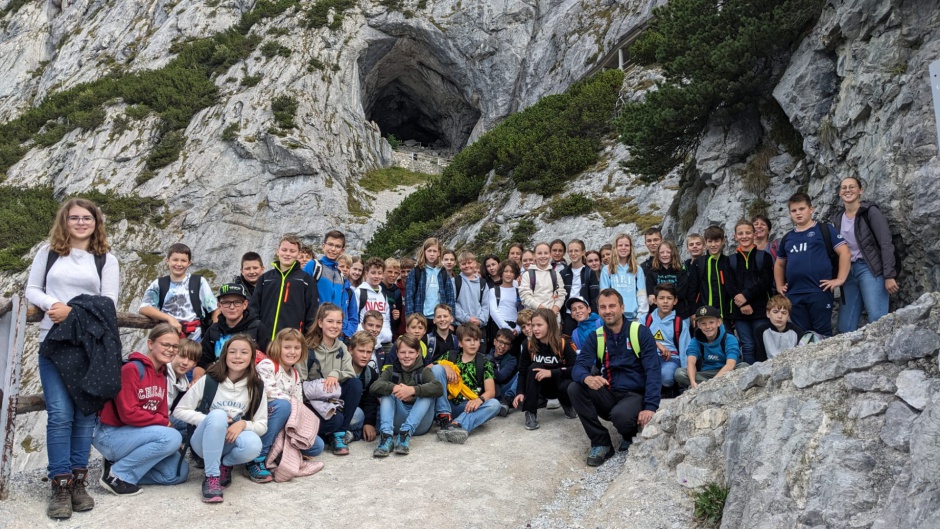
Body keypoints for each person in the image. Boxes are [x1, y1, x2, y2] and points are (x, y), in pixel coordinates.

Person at [25, 197, 119, 519]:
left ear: (96, 222)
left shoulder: (106, 260)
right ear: (64, 221)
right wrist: (53, 305)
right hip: (53, 342)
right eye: (74, 218)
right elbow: (32, 289)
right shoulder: (48, 253)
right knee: (60, 414)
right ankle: (60, 483)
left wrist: (72, 312)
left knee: (84, 414)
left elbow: (108, 302)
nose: (81, 223)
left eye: (87, 218)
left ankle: (79, 482)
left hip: (89, 345)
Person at [568, 289, 661, 466]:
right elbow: (579, 366)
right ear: (598, 310)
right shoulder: (596, 336)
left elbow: (653, 371)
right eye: (603, 307)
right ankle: (601, 442)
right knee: (575, 388)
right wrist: (587, 378)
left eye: (612, 306)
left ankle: (629, 433)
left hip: (634, 395)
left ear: (622, 307)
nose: (607, 311)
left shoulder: (639, 332)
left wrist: (650, 407)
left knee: (621, 417)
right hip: (610, 393)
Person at [94, 324, 189, 496]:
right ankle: (117, 475)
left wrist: (165, 428)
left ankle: (119, 465)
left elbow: (161, 412)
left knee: (177, 472)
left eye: (175, 346)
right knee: (172, 436)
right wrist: (165, 426)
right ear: (150, 344)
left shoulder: (162, 374)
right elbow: (128, 413)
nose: (170, 350)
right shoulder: (132, 369)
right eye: (165, 344)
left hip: (140, 436)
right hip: (111, 435)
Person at [173, 335, 268, 503]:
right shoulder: (209, 380)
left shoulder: (256, 386)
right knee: (218, 415)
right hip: (203, 441)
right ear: (224, 355)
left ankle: (225, 464)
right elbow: (179, 411)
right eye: (232, 352)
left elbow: (262, 425)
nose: (238, 356)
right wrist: (210, 420)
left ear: (252, 357)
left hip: (230, 440)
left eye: (244, 352)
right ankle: (212, 476)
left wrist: (243, 424)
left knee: (253, 444)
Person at [252, 328, 323, 483]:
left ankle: (281, 452)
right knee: (284, 405)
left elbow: (299, 402)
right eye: (287, 347)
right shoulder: (268, 365)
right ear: (278, 347)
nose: (292, 352)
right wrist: (292, 404)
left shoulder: (294, 373)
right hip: (265, 417)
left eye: (297, 348)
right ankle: (258, 457)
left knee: (317, 445)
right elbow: (269, 391)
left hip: (285, 422)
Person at [774, 192, 850, 337]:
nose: (798, 213)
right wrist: (779, 285)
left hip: (819, 290)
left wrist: (840, 279)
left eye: (802, 209)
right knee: (801, 334)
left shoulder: (824, 229)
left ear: (811, 209)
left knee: (822, 333)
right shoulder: (788, 238)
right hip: (794, 293)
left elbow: (845, 252)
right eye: (794, 210)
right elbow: (779, 264)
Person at [830, 176, 899, 332]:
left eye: (852, 187)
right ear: (840, 193)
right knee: (844, 327)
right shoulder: (838, 218)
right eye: (844, 188)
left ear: (860, 191)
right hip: (848, 272)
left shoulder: (871, 212)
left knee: (877, 318)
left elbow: (886, 243)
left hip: (869, 269)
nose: (847, 190)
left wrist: (889, 275)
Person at [303, 303, 363, 455]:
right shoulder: (308, 348)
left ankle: (338, 434)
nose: (335, 326)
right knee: (337, 420)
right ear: (320, 322)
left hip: (334, 400)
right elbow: (299, 382)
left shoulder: (342, 347)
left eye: (339, 322)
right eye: (330, 321)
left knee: (355, 384)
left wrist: (335, 374)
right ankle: (324, 432)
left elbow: (350, 373)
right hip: (313, 402)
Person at [370, 335, 445, 456]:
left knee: (428, 391)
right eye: (402, 352)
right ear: (397, 353)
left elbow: (439, 388)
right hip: (397, 421)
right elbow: (374, 387)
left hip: (420, 423)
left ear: (417, 353)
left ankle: (405, 434)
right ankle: (386, 437)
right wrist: (395, 388)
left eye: (411, 352)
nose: (406, 356)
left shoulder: (424, 371)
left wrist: (412, 390)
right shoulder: (391, 370)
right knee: (387, 391)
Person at [249, 234, 319, 352]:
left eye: (292, 251)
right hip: (264, 340)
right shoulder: (265, 278)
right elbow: (254, 308)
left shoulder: (306, 280)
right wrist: (255, 333)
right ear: (278, 251)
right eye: (284, 250)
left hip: (292, 342)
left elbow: (312, 312)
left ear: (298, 254)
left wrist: (306, 337)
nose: (287, 254)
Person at [434, 323, 501, 444]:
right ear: (460, 343)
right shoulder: (451, 356)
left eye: (476, 340)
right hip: (448, 404)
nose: (472, 343)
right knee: (437, 368)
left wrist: (479, 400)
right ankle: (445, 418)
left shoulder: (484, 362)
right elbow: (429, 368)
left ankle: (457, 425)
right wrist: (445, 366)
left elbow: (491, 391)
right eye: (468, 340)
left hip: (469, 407)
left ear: (479, 343)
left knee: (495, 404)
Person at [513, 309, 578, 430]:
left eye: (539, 325)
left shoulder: (563, 343)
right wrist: (520, 392)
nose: (535, 329)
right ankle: (530, 412)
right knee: (534, 367)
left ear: (550, 325)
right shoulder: (528, 345)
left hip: (560, 385)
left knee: (568, 384)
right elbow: (522, 372)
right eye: (533, 325)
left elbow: (575, 368)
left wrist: (551, 372)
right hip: (541, 388)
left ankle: (567, 404)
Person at [139, 243, 218, 341]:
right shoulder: (158, 284)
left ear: (189, 263)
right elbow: (144, 307)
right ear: (167, 260)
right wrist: (169, 318)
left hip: (196, 337)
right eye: (175, 260)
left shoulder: (199, 282)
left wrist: (213, 334)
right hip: (168, 335)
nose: (179, 264)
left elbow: (214, 309)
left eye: (183, 261)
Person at [727, 220, 774, 364]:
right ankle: (749, 375)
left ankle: (764, 374)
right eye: (740, 233)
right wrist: (742, 303)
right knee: (747, 346)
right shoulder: (730, 260)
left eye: (748, 233)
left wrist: (745, 296)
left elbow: (765, 282)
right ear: (735, 236)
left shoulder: (764, 257)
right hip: (739, 312)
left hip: (761, 310)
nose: (744, 236)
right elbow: (729, 285)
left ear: (754, 234)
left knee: (762, 344)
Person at [197, 283, 260, 381]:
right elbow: (202, 362)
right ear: (219, 306)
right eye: (226, 303)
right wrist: (197, 379)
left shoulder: (257, 328)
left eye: (237, 302)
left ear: (245, 304)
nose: (232, 307)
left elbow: (267, 360)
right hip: (218, 380)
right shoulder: (213, 330)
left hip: (249, 381)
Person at [675, 306, 743, 389]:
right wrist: (692, 382)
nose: (708, 327)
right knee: (679, 373)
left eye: (711, 322)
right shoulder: (695, 340)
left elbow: (730, 364)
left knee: (744, 367)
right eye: (703, 323)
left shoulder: (729, 338)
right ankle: (702, 384)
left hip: (726, 372)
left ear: (719, 322)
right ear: (698, 325)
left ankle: (704, 385)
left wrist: (712, 382)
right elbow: (691, 363)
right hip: (705, 373)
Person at [644, 284, 691, 395]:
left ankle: (669, 388)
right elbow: (637, 339)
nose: (665, 302)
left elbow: (685, 350)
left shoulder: (679, 323)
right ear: (655, 300)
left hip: (670, 359)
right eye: (661, 298)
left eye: (669, 298)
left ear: (675, 301)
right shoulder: (645, 319)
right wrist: (657, 344)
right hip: (648, 358)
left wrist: (684, 374)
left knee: (666, 377)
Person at [304, 230, 351, 331]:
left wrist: (343, 328)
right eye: (330, 244)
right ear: (323, 246)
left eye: (337, 246)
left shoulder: (340, 275)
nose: (333, 249)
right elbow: (301, 295)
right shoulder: (313, 266)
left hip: (333, 328)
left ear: (342, 250)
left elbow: (342, 305)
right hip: (314, 326)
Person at [599, 233, 647, 322]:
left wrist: (640, 315)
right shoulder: (607, 269)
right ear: (615, 248)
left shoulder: (637, 269)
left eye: (626, 245)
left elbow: (642, 295)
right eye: (620, 245)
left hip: (633, 317)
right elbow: (604, 295)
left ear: (631, 248)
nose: (623, 248)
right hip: (614, 316)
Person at [405, 237, 455, 317]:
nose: (432, 254)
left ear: (439, 253)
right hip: (421, 317)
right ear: (424, 252)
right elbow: (409, 297)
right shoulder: (416, 272)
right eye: (429, 251)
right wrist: (410, 318)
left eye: (434, 251)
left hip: (440, 318)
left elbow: (450, 297)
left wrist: (451, 319)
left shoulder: (443, 272)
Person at [645, 240, 696, 320]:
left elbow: (682, 293)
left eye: (668, 252)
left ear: (673, 253)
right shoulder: (651, 273)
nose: (665, 255)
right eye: (662, 252)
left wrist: (660, 296)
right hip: (658, 316)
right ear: (658, 254)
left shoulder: (681, 271)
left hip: (680, 315)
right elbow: (651, 296)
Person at [518, 242, 567, 319]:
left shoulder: (556, 275)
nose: (543, 256)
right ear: (534, 256)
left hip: (553, 318)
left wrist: (554, 310)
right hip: (534, 318)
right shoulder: (527, 275)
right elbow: (525, 296)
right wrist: (544, 311)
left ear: (550, 255)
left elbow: (561, 295)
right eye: (539, 253)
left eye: (546, 253)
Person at [695, 226, 734, 321]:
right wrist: (693, 312)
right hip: (703, 312)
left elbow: (732, 287)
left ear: (723, 241)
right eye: (710, 241)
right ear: (705, 242)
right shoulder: (699, 262)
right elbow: (693, 288)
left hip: (725, 313)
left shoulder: (728, 261)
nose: (713, 245)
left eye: (716, 241)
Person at [561, 239, 599, 335]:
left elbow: (594, 297)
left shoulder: (589, 273)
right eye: (570, 251)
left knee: (588, 339)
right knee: (568, 340)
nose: (573, 253)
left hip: (585, 314)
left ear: (583, 252)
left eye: (576, 251)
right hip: (569, 314)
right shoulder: (563, 273)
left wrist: (593, 316)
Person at [356, 258, 394, 353]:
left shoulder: (383, 295)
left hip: (383, 341)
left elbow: (386, 319)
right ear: (366, 274)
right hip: (364, 340)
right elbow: (355, 318)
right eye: (373, 273)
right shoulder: (359, 292)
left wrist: (387, 334)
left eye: (379, 273)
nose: (376, 276)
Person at [348, 331, 379, 442]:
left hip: (362, 411)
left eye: (368, 352)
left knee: (381, 415)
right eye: (361, 351)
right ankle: (356, 433)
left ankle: (353, 434)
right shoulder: (341, 369)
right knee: (358, 414)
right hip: (346, 412)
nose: (365, 356)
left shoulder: (371, 374)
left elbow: (370, 401)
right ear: (351, 350)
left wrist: (369, 423)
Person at [754, 295, 805, 362]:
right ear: (768, 313)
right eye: (775, 312)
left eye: (784, 313)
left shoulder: (797, 331)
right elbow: (760, 357)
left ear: (788, 316)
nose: (779, 316)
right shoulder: (761, 330)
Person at [454, 251, 490, 335]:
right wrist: (467, 319)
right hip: (461, 326)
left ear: (475, 264)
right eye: (463, 264)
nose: (467, 266)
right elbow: (453, 304)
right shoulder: (455, 281)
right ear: (459, 266)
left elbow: (486, 305)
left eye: (469, 263)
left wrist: (480, 320)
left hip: (479, 327)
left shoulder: (483, 283)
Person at [489, 329, 519, 416]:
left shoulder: (511, 359)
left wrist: (489, 365)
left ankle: (506, 401)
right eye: (500, 342)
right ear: (495, 341)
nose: (502, 346)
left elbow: (501, 377)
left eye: (506, 344)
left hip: (504, 390)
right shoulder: (485, 356)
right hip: (489, 390)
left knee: (522, 372)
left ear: (510, 347)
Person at [488, 260, 522, 335]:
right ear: (501, 273)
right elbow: (493, 311)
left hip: (515, 326)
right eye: (506, 271)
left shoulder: (519, 292)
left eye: (511, 272)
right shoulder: (494, 291)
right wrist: (505, 327)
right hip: (498, 326)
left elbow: (521, 311)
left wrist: (517, 329)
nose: (508, 274)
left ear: (515, 274)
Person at [168, 339, 199, 416]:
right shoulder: (161, 374)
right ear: (173, 354)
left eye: (191, 360)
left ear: (194, 364)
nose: (185, 363)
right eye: (182, 356)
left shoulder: (185, 386)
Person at [382, 257, 404, 339]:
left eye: (396, 273)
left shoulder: (397, 292)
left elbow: (397, 320)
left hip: (388, 332)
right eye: (390, 272)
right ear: (383, 271)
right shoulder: (376, 287)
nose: (393, 275)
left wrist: (396, 318)